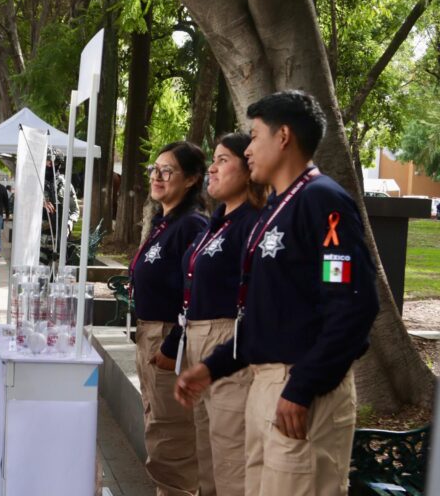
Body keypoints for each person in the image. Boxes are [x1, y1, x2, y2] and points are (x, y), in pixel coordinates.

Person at [175, 90, 379, 496]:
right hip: (265, 386)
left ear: (283, 136)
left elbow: (353, 307)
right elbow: (267, 314)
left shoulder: (323, 201)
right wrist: (213, 366)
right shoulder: (275, 209)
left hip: (301, 389)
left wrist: (302, 386)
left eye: (254, 136)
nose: (248, 149)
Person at [160, 133, 264, 495]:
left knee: (230, 454)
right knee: (205, 452)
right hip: (197, 340)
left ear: (249, 168)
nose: (213, 169)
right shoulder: (218, 221)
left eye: (223, 160)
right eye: (213, 161)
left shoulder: (253, 221)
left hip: (227, 339)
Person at [129, 141, 208, 496]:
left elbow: (197, 292)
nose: (157, 177)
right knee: (157, 429)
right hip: (148, 335)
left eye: (167, 171)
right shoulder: (164, 221)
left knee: (171, 440)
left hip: (168, 340)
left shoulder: (192, 225)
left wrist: (174, 344)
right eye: (154, 169)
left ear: (191, 180)